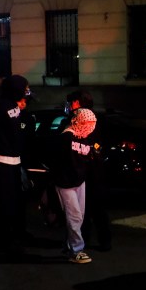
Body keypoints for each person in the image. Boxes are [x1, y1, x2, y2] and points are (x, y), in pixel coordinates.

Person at [0, 75, 31, 255]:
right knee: (2, 202)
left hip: (13, 160)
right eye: (23, 87)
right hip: (0, 160)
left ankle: (12, 235)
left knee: (14, 201)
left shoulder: (13, 106)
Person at [64, 89, 111, 251]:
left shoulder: (81, 119)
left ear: (77, 102)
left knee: (86, 208)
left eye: (71, 102)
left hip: (86, 169)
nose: (69, 106)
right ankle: (98, 241)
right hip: (91, 169)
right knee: (89, 208)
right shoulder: (98, 118)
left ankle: (86, 240)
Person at [50, 108, 97, 264]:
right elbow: (57, 162)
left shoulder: (85, 137)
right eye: (88, 123)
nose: (90, 127)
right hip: (65, 183)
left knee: (79, 216)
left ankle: (70, 246)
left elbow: (87, 159)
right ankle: (77, 250)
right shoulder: (65, 138)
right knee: (74, 215)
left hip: (79, 181)